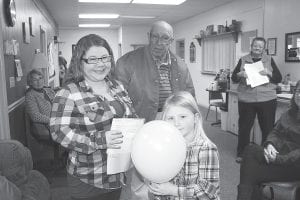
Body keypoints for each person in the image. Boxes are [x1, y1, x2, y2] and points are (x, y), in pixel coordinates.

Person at [50, 34, 137, 200]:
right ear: (79, 62)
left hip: (118, 173)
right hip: (89, 178)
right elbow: (58, 132)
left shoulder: (117, 86)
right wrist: (99, 140)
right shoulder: (68, 93)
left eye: (105, 58)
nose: (100, 64)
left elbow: (131, 114)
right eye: (93, 59)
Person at [114, 20, 195, 122]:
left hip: (172, 118)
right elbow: (117, 98)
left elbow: (189, 94)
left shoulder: (180, 64)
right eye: (155, 37)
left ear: (171, 41)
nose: (159, 43)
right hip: (140, 119)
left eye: (165, 38)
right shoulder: (126, 62)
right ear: (149, 36)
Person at [147, 91, 220, 200]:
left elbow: (207, 193)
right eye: (170, 118)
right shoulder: (165, 148)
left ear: (195, 118)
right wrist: (157, 186)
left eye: (183, 116)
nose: (176, 123)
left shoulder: (206, 148)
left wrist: (173, 190)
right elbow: (162, 185)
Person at [237, 80, 300, 200]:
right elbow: (275, 132)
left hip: (294, 166)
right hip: (278, 155)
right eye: (298, 91)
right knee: (250, 150)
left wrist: (278, 159)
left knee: (250, 173)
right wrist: (270, 144)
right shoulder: (289, 113)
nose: (299, 95)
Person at [231, 37, 282, 163]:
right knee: (244, 128)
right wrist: (240, 74)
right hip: (247, 100)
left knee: (267, 128)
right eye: (255, 45)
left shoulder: (269, 60)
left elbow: (278, 78)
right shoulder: (243, 60)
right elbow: (234, 78)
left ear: (264, 48)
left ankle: (266, 154)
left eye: (260, 46)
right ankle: (242, 153)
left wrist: (269, 73)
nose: (257, 48)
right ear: (251, 46)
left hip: (267, 99)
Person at [25, 69, 55, 139]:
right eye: (35, 80)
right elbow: (35, 116)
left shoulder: (47, 90)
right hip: (48, 123)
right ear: (30, 82)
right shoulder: (30, 95)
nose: (39, 81)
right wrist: (52, 120)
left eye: (40, 78)